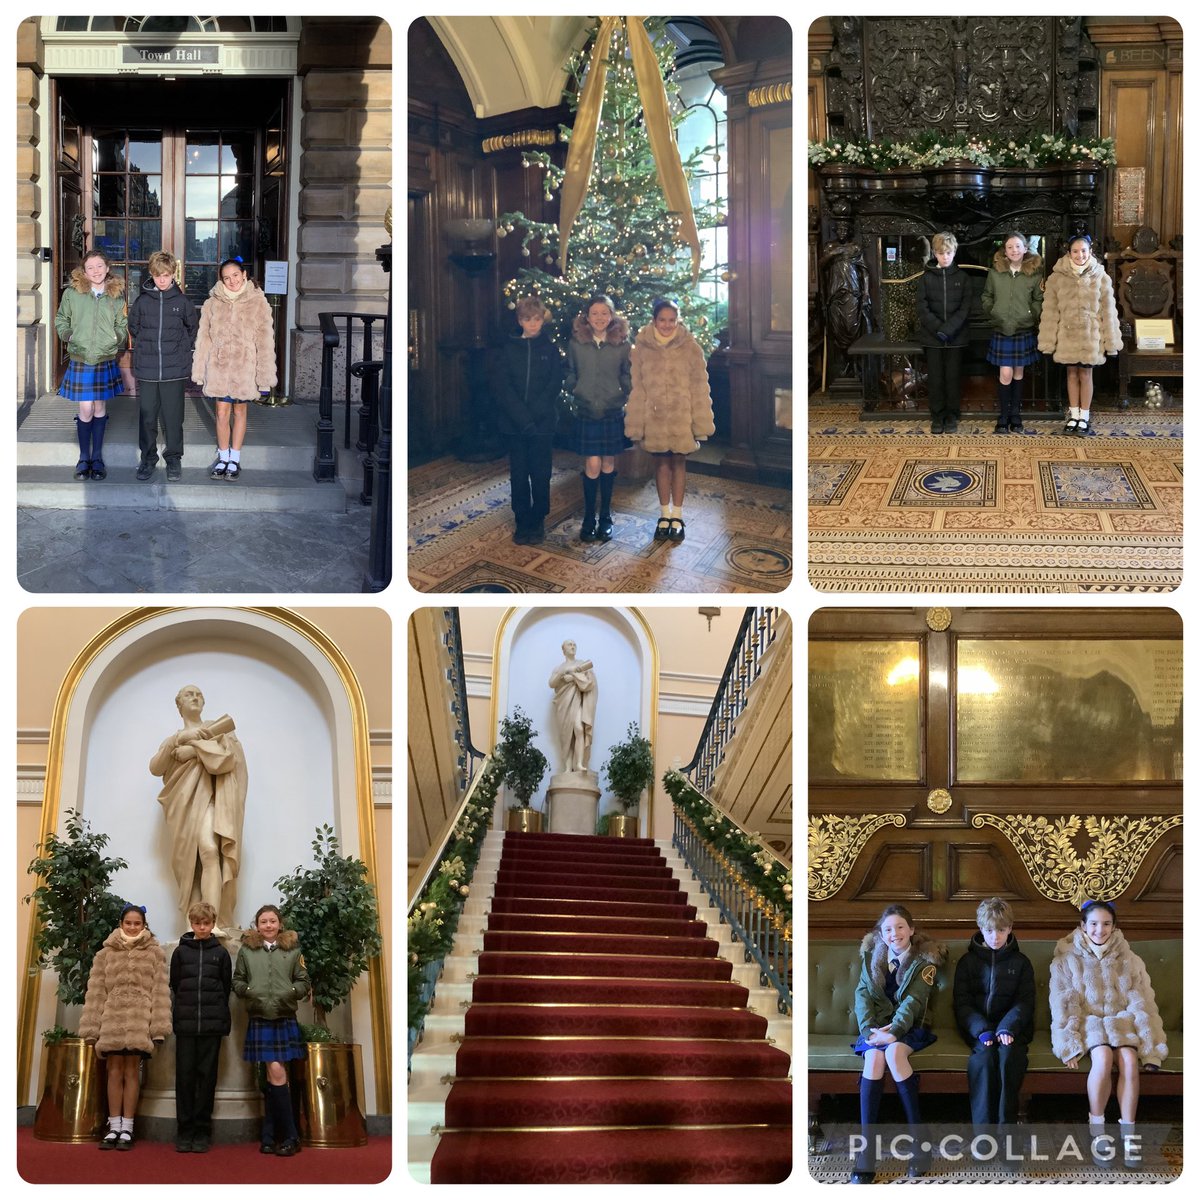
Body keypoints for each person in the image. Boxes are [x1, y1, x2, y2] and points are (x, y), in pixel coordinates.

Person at [1049, 899, 1166, 1170]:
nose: (1099, 930)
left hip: (1121, 1021)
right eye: (1093, 924)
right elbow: (1064, 1004)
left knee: (1127, 1059)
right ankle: (1098, 1131)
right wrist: (1069, 1044)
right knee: (1101, 1058)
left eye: (1106, 924)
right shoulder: (1066, 960)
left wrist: (1151, 1046)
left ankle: (1129, 1136)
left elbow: (1142, 1002)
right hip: (1088, 1023)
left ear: (1114, 927)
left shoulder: (1130, 959)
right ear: (1082, 926)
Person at [850, 903, 945, 1183]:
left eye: (900, 927)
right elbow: (862, 997)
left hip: (910, 1027)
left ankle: (920, 1141)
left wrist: (894, 1033)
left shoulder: (924, 962)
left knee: (892, 1053)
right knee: (875, 1057)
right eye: (888, 929)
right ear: (881, 933)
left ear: (911, 930)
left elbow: (914, 1002)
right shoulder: (870, 959)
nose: (895, 934)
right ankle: (867, 1152)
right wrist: (869, 1031)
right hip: (876, 1028)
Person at [150, 685, 247, 934]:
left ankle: (211, 923)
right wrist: (176, 741)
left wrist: (193, 750)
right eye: (188, 694)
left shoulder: (217, 731)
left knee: (210, 850)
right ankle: (194, 925)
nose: (195, 697)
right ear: (178, 704)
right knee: (190, 868)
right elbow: (156, 767)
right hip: (181, 807)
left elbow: (229, 759)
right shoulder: (173, 740)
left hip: (210, 800)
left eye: (199, 694)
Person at [78, 903, 171, 1151]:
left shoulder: (155, 953)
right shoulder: (105, 954)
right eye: (128, 923)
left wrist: (158, 1028)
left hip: (140, 1020)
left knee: (132, 1072)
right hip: (112, 1020)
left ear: (144, 925)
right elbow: (96, 992)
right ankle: (114, 1125)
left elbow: (160, 991)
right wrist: (90, 1028)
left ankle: (128, 1127)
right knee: (113, 1071)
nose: (132, 927)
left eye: (137, 923)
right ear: (121, 924)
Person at [625, 297, 715, 541]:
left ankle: (678, 515)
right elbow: (637, 388)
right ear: (654, 321)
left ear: (678, 321)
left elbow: (700, 387)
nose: (667, 325)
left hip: (681, 419)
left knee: (679, 462)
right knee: (661, 464)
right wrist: (636, 423)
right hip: (654, 417)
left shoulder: (691, 347)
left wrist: (701, 423)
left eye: (671, 320)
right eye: (662, 320)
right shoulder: (641, 348)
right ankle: (664, 515)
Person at [233, 904, 310, 1157]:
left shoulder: (293, 950)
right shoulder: (247, 950)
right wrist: (248, 992)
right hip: (260, 1015)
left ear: (280, 924)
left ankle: (284, 1135)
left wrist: (290, 992)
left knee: (275, 1073)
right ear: (257, 925)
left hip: (283, 1014)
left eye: (272, 921)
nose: (268, 925)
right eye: (263, 921)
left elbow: (303, 981)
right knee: (273, 1074)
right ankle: (281, 1135)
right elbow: (238, 980)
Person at [952, 897, 1035, 1132]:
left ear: (1010, 929)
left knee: (1008, 1059)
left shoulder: (1021, 963)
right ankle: (983, 1136)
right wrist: (982, 1030)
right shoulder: (967, 962)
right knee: (984, 1061)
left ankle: (1006, 1134)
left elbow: (1025, 1002)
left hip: (1012, 1030)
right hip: (979, 1030)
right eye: (989, 930)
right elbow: (962, 1003)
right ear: (980, 929)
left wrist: (1008, 1028)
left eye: (1001, 930)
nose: (995, 936)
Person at [191, 256, 277, 479]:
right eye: (226, 278)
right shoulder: (212, 303)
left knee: (240, 410)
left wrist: (264, 378)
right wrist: (199, 371)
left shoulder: (258, 302)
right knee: (221, 412)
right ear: (221, 280)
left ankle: (235, 459)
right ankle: (223, 457)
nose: (232, 281)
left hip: (244, 368)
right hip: (218, 368)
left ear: (244, 275)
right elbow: (204, 339)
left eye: (235, 276)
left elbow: (265, 342)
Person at [492, 296, 565, 545]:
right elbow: (502, 387)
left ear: (542, 320)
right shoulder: (508, 349)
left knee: (541, 473)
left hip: (542, 424)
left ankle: (538, 519)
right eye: (527, 319)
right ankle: (522, 519)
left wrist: (536, 415)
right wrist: (522, 418)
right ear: (519, 320)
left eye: (536, 319)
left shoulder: (551, 350)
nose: (532, 324)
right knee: (520, 474)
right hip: (515, 425)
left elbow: (554, 384)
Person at [1038, 234, 1122, 437]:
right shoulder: (1056, 278)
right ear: (1069, 253)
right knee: (1071, 374)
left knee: (1085, 374)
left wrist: (1111, 342)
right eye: (1075, 251)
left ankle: (1084, 416)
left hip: (1090, 336)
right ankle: (1073, 415)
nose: (1080, 255)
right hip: (1066, 335)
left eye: (1084, 251)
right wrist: (1048, 342)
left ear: (1090, 252)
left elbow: (1108, 312)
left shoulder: (1101, 277)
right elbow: (1050, 311)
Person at [54, 248, 127, 480]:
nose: (95, 271)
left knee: (99, 407)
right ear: (83, 271)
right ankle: (83, 457)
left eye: (99, 266)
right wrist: (68, 335)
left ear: (107, 268)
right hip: (82, 357)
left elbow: (122, 325)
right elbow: (61, 319)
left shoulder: (116, 295)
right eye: (90, 267)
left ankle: (97, 458)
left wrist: (117, 337)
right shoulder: (72, 294)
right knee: (86, 408)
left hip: (104, 357)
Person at [564, 294, 631, 542]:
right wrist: (576, 387)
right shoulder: (576, 343)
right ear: (587, 317)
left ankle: (605, 516)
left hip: (612, 410)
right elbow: (570, 371)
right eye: (595, 313)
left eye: (605, 313)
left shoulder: (622, 344)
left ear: (612, 316)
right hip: (587, 410)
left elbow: (627, 374)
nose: (600, 318)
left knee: (608, 464)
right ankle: (589, 517)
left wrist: (624, 393)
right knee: (592, 464)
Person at [129, 250, 198, 482]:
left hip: (173, 369)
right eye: (158, 275)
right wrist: (147, 349)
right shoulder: (142, 301)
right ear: (151, 274)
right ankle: (148, 459)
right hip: (148, 369)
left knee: (173, 417)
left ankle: (173, 458)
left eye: (166, 275)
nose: (162, 279)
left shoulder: (182, 302)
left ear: (173, 275)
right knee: (148, 417)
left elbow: (192, 329)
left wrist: (179, 350)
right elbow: (134, 327)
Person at [169, 900, 232, 1153]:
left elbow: (225, 987)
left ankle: (202, 1131)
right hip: (185, 1024)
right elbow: (175, 984)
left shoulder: (221, 953)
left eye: (206, 923)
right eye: (197, 923)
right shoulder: (180, 953)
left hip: (211, 1025)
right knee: (184, 1079)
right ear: (191, 923)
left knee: (207, 1079)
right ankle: (184, 1131)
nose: (202, 927)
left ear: (213, 924)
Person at [981, 232, 1043, 433]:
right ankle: (1003, 415)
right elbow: (986, 296)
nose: (1014, 250)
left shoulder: (1034, 274)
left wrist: (1032, 315)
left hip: (1023, 327)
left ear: (1025, 249)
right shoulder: (995, 272)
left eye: (1018, 246)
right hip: (1002, 327)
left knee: (1018, 373)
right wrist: (993, 312)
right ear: (1005, 251)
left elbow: (1038, 300)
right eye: (1010, 247)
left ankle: (1016, 415)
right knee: (1005, 372)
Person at [915, 232, 973, 435]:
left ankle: (952, 415)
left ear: (955, 252)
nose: (945, 257)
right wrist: (938, 329)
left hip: (956, 338)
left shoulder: (964, 278)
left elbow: (965, 308)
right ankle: (937, 416)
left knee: (952, 377)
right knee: (936, 378)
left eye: (948, 252)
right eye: (940, 253)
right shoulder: (926, 278)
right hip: (932, 338)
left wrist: (948, 330)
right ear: (934, 253)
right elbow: (922, 308)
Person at [547, 639, 597, 773]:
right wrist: (564, 673)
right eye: (569, 645)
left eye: (574, 644)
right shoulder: (559, 668)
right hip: (563, 704)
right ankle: (568, 767)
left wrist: (574, 677)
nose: (573, 646)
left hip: (576, 700)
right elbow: (552, 683)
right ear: (563, 650)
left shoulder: (582, 664)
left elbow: (589, 682)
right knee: (566, 735)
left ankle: (579, 763)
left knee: (579, 729)